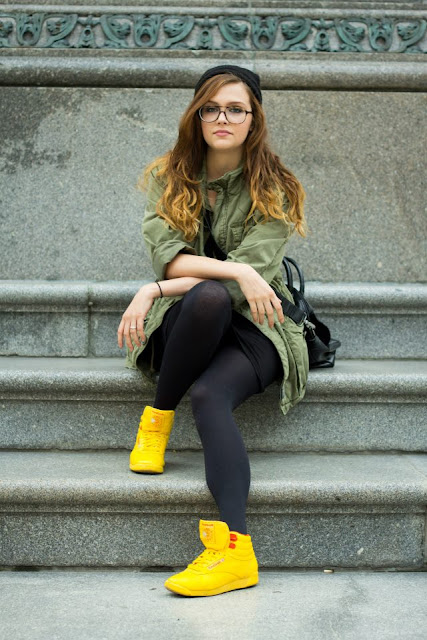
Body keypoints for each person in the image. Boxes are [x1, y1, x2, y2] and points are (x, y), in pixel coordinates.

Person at [117, 64, 308, 597]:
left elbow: (254, 277)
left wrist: (155, 289)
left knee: (207, 394)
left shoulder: (277, 187)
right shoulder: (169, 176)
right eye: (212, 108)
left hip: (258, 322)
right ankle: (158, 419)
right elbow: (170, 257)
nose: (223, 118)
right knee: (205, 297)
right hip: (191, 319)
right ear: (197, 116)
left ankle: (236, 554)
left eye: (236, 109)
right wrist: (217, 274)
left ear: (254, 119)